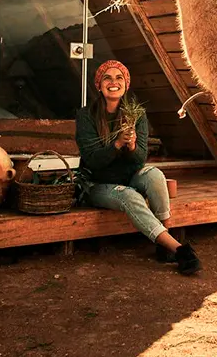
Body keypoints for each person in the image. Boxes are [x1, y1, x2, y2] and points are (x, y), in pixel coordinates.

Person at [75, 60, 202, 275]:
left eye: (119, 78)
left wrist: (132, 146)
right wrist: (116, 145)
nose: (113, 82)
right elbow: (93, 160)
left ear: (126, 84)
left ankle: (164, 241)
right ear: (99, 85)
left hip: (128, 176)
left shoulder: (137, 114)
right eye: (107, 77)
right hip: (97, 184)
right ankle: (178, 250)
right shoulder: (86, 116)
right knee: (130, 196)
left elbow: (140, 160)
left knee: (154, 175)